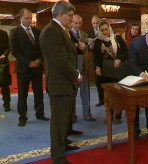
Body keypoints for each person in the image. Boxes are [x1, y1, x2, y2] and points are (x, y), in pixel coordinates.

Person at [40, 1, 82, 163]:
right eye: (70, 16)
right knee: (58, 121)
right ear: (61, 14)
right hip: (59, 82)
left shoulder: (61, 30)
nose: (72, 20)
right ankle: (57, 157)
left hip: (65, 82)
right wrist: (76, 75)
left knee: (64, 117)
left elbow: (69, 52)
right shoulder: (51, 31)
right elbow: (61, 61)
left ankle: (64, 143)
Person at [9, 8, 49, 127]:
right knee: (22, 94)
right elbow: (14, 51)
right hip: (23, 68)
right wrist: (29, 62)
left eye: (30, 18)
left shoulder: (37, 32)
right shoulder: (14, 32)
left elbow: (43, 49)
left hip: (37, 67)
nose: (29, 20)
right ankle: (22, 117)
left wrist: (39, 60)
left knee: (38, 92)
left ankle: (40, 113)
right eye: (27, 18)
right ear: (21, 18)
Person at [92, 21, 128, 124]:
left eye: (106, 29)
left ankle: (118, 115)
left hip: (118, 69)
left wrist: (120, 59)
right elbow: (96, 58)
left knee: (118, 93)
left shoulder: (117, 39)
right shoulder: (98, 41)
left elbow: (126, 52)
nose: (104, 32)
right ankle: (109, 116)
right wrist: (97, 67)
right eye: (102, 30)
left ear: (109, 29)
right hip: (106, 71)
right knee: (108, 95)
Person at [70, 14, 96, 122]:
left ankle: (87, 114)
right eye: (75, 23)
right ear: (71, 23)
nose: (78, 25)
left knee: (86, 93)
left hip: (85, 67)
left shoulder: (85, 34)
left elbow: (88, 49)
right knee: (73, 94)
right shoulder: (68, 34)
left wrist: (91, 46)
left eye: (80, 23)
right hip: (74, 68)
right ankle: (72, 116)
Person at [87, 15, 103, 107]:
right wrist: (91, 47)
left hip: (105, 59)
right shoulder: (89, 33)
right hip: (95, 58)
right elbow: (87, 48)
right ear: (91, 24)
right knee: (97, 80)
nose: (96, 25)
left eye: (97, 23)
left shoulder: (105, 31)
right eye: (94, 23)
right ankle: (101, 99)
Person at [0, 29, 12, 112]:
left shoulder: (4, 34)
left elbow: (8, 47)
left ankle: (7, 104)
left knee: (5, 84)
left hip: (3, 63)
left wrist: (4, 55)